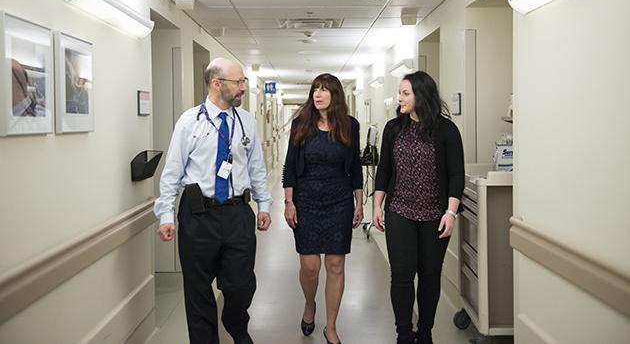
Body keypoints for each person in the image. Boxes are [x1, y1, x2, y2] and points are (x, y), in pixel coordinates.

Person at [154, 57, 273, 344]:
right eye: (239, 82)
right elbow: (172, 173)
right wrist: (166, 215)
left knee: (241, 285)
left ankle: (235, 325)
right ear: (217, 84)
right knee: (198, 290)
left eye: (244, 81)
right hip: (198, 215)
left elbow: (256, 166)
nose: (244, 87)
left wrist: (264, 204)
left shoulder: (246, 122)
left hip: (237, 214)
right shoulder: (189, 121)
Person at [371, 71, 464, 344]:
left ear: (421, 95)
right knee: (401, 274)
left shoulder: (446, 130)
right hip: (400, 210)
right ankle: (403, 333)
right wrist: (377, 205)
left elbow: (456, 173)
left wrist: (451, 212)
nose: (399, 98)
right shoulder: (393, 128)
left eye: (405, 93)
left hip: (435, 214)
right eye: (399, 93)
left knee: (429, 274)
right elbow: (384, 169)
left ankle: (424, 333)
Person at [283, 73, 364, 344]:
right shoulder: (301, 123)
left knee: (336, 265)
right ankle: (309, 303)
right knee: (309, 267)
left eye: (324, 90)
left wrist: (359, 202)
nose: (318, 94)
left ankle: (331, 326)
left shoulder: (350, 125)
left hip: (339, 200)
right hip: (306, 200)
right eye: (315, 89)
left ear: (335, 94)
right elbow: (289, 167)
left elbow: (355, 167)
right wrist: (288, 202)